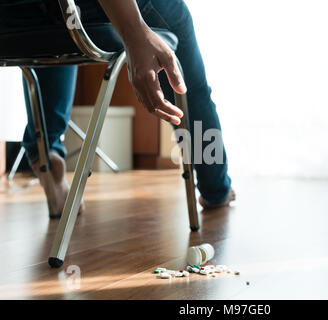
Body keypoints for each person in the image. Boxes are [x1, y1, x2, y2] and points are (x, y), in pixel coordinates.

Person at [0, 0, 234, 214]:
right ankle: (215, 188)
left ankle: (46, 149)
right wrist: (135, 32)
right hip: (91, 9)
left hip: (14, 18)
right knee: (187, 68)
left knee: (62, 19)